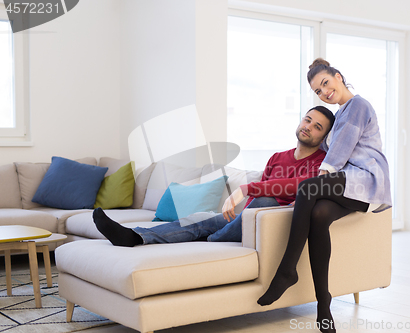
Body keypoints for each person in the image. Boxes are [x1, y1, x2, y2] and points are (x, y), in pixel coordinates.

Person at [257, 58, 392, 333]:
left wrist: (311, 190)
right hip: (349, 185)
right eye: (318, 91)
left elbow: (338, 154)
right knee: (318, 215)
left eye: (326, 84)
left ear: (338, 77)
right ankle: (324, 305)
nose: (324, 93)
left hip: (366, 180)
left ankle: (287, 270)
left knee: (308, 188)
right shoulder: (341, 112)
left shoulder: (358, 105)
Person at [92, 106, 335, 247]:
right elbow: (263, 186)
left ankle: (213, 236)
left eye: (317, 127)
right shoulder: (277, 157)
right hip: (247, 218)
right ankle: (133, 236)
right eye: (308, 120)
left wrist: (248, 192)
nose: (308, 127)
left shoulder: (322, 164)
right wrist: (241, 207)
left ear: (324, 137)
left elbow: (293, 188)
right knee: (197, 219)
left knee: (265, 202)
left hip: (271, 223)